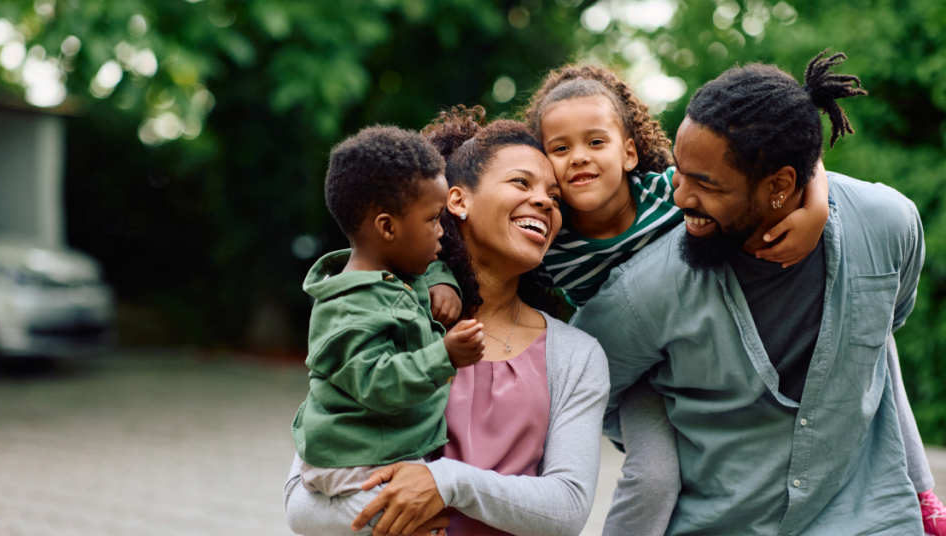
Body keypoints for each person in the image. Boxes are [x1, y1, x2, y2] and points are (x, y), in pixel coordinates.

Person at [573, 50, 930, 534]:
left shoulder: (889, 225)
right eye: (679, 171)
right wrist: (665, 440)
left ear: (780, 186)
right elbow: (580, 382)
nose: (679, 197)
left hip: (871, 519)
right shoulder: (649, 288)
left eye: (705, 183)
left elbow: (890, 320)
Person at [523, 64, 830, 536]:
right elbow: (474, 237)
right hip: (637, 378)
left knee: (859, 336)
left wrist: (818, 207)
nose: (579, 157)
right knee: (655, 476)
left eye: (596, 142)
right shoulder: (548, 237)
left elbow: (783, 153)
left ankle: (919, 494)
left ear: (628, 152)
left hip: (703, 348)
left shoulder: (669, 192)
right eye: (560, 149)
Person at [285, 113, 609, 536]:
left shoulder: (575, 355)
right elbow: (302, 500)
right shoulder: (387, 314)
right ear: (458, 201)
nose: (546, 202)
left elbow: (567, 509)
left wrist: (447, 483)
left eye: (554, 196)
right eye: (521, 183)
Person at [290, 126, 486, 505]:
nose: (442, 233)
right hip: (353, 461)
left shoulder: (396, 269)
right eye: (433, 220)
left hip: (384, 448)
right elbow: (376, 383)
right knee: (411, 520)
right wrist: (443, 356)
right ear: (387, 227)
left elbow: (422, 266)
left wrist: (442, 282)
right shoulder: (349, 308)